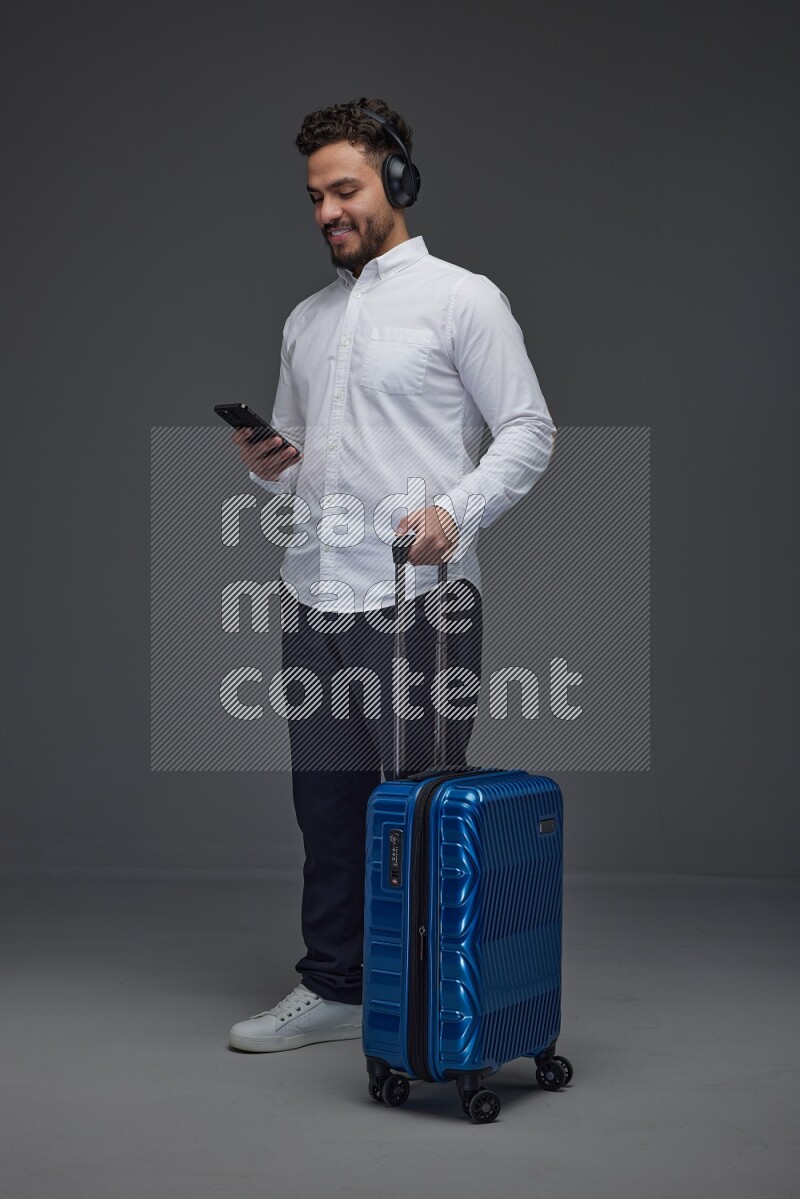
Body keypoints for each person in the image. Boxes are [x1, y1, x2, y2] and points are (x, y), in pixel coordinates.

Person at [227, 98, 556, 1052]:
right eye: (315, 197)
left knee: (416, 808)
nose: (328, 211)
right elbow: (299, 454)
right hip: (312, 590)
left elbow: (530, 431)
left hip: (419, 599)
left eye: (346, 190)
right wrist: (270, 461)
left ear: (396, 183)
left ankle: (428, 1005)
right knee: (325, 810)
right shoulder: (305, 321)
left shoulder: (463, 299)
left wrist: (455, 513)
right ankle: (332, 985)